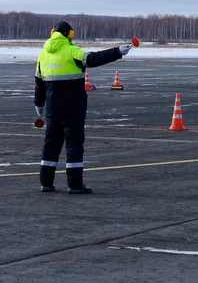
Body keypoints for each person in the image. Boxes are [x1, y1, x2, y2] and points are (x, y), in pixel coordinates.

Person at [34, 21, 132, 194]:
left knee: (51, 143)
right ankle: (75, 184)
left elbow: (39, 83)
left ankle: (46, 182)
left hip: (52, 107)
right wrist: (117, 52)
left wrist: (39, 104)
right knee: (74, 143)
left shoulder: (43, 54)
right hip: (73, 105)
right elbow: (93, 59)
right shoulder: (72, 51)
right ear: (69, 34)